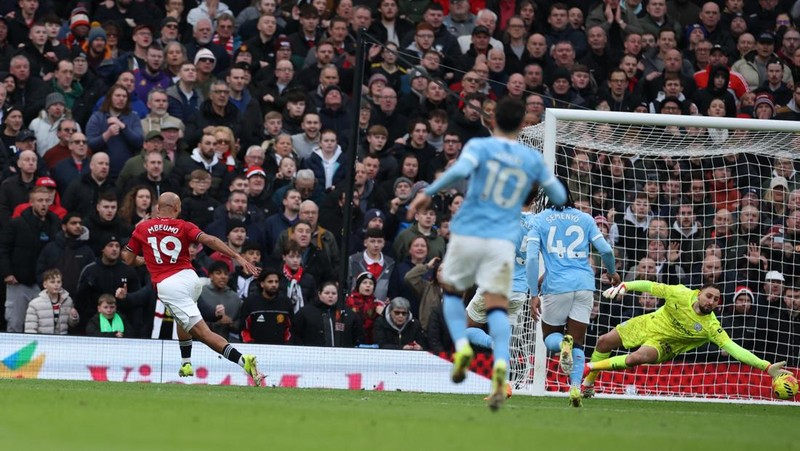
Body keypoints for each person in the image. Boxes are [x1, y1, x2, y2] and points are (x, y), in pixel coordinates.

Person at [407, 96, 566, 411]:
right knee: (498, 315)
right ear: (523, 125)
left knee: (451, 294)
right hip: (503, 252)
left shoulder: (479, 148)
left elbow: (457, 174)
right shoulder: (529, 162)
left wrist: (426, 193)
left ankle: (463, 345)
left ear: (492, 121)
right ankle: (501, 370)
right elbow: (559, 194)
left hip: (470, 231)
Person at [121, 192, 264, 386]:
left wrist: (149, 257)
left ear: (157, 209)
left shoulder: (142, 228)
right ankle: (186, 362)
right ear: (177, 209)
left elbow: (128, 260)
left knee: (203, 334)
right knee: (182, 317)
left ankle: (243, 361)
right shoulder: (184, 225)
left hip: (170, 286)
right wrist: (237, 257)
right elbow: (210, 240)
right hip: (191, 279)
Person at [583, 280, 794, 398]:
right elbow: (650, 286)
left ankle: (589, 367)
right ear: (699, 293)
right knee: (603, 342)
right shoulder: (680, 293)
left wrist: (766, 367)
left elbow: (734, 349)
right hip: (649, 323)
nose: (711, 302)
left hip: (665, 345)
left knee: (635, 358)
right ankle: (588, 385)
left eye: (716, 300)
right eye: (708, 296)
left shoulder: (711, 326)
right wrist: (626, 286)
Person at [524, 181, 619, 407]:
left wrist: (533, 294)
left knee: (550, 338)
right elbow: (605, 249)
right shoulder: (585, 218)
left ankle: (562, 344)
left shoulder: (539, 220)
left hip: (557, 287)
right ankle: (575, 387)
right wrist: (612, 272)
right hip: (585, 285)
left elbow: (530, 259)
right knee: (578, 343)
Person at [24, 269, 79, 335]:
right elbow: (30, 329)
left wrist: (74, 317)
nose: (56, 285)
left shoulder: (68, 300)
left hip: (62, 341)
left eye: (58, 282)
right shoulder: (34, 304)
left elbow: (72, 325)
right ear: (45, 284)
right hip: (43, 341)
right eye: (52, 282)